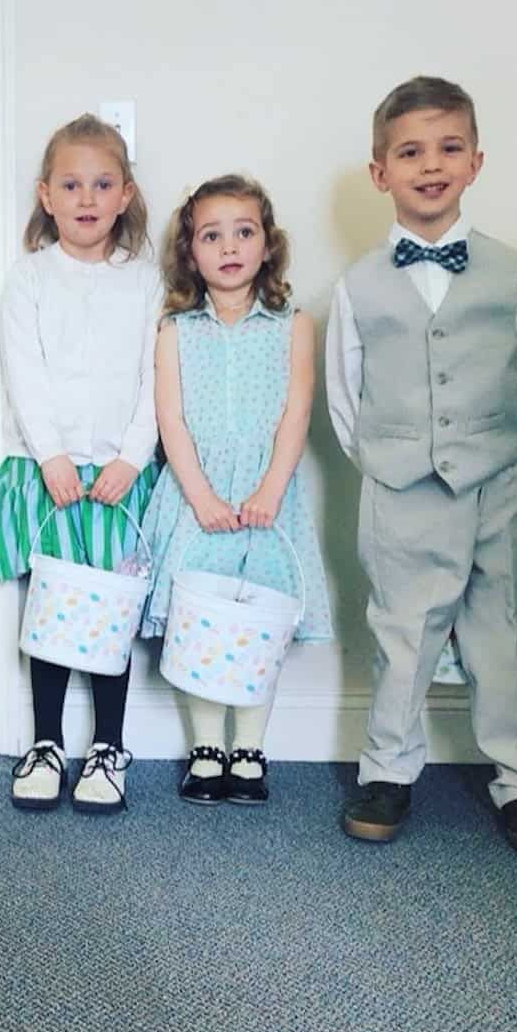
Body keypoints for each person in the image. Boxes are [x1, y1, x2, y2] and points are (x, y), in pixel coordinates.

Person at [326, 75, 517, 854]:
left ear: (475, 162)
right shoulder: (358, 284)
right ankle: (388, 771)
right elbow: (345, 395)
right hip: (399, 486)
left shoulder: (511, 270)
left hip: (493, 478)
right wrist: (390, 463)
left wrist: (488, 451)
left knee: (508, 629)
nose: (430, 165)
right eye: (409, 152)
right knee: (403, 630)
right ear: (380, 172)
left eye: (449, 148)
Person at [140, 175, 333, 806]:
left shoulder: (292, 324)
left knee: (258, 621)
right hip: (197, 494)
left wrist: (272, 487)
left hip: (265, 495)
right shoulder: (175, 329)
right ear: (190, 251)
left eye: (244, 232)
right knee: (200, 622)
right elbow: (171, 420)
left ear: (267, 244)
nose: (229, 246)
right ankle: (205, 747)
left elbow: (296, 412)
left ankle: (249, 746)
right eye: (211, 235)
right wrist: (198, 496)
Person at [0, 113, 162, 814]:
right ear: (46, 195)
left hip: (120, 474)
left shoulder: (147, 282)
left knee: (110, 611)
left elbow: (159, 375)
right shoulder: (30, 278)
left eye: (102, 183)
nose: (86, 198)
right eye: (71, 184)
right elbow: (23, 372)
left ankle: (109, 744)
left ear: (125, 194)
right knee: (55, 610)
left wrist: (132, 456)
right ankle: (46, 742)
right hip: (47, 472)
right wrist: (52, 456)